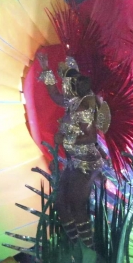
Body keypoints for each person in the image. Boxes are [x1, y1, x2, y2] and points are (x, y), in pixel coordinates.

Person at [39, 56, 110, 246]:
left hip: (86, 163)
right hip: (74, 162)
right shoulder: (71, 102)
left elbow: (91, 137)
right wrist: (45, 68)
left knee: (77, 206)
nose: (63, 87)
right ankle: (77, 246)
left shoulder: (83, 108)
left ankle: (89, 250)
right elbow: (54, 95)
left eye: (65, 83)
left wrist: (65, 139)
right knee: (61, 204)